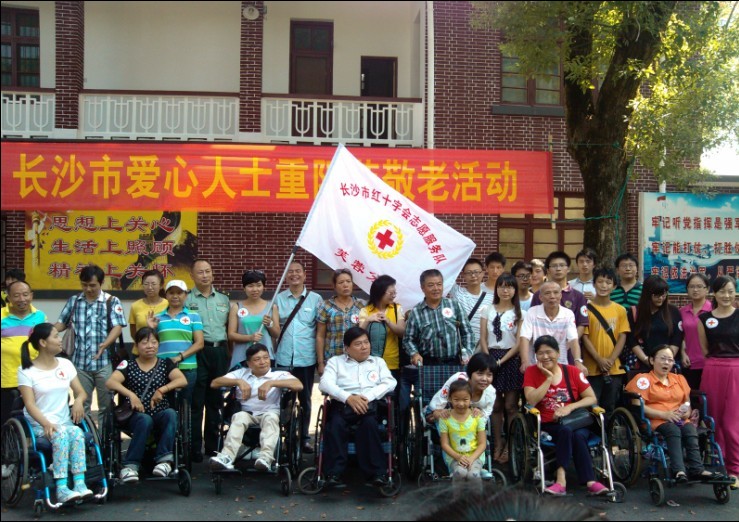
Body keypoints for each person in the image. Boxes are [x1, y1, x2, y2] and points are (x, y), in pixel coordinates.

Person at [523, 335, 608, 496]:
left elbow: (591, 398)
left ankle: (572, 481)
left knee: (575, 433)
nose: (545, 356)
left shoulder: (572, 371)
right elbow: (531, 401)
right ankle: (575, 480)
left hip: (575, 421)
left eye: (549, 352)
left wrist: (570, 407)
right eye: (540, 353)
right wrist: (548, 379)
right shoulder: (531, 372)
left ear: (558, 352)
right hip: (549, 424)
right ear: (536, 356)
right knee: (569, 432)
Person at [18, 323, 93, 504]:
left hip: (64, 422)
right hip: (40, 424)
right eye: (56, 336)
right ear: (43, 342)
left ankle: (79, 483)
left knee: (77, 432)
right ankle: (61, 488)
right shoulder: (26, 370)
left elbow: (81, 392)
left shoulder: (65, 364)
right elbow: (29, 404)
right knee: (60, 435)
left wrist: (78, 401)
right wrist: (46, 423)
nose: (60, 340)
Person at [625, 345, 722, 483]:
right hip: (656, 420)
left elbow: (687, 402)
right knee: (673, 430)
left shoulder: (679, 379)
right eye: (663, 359)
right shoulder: (643, 380)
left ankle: (697, 469)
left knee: (690, 429)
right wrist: (664, 415)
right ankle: (679, 471)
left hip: (679, 418)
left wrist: (686, 412)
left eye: (670, 360)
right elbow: (637, 405)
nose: (666, 363)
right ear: (652, 360)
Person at [105, 327, 188, 483]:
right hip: (135, 416)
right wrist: (131, 395)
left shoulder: (165, 363)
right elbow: (110, 382)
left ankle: (163, 461)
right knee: (144, 420)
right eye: (145, 342)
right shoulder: (128, 364)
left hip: (159, 412)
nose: (150, 346)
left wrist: (162, 390)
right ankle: (130, 465)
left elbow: (182, 380)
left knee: (171, 413)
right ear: (136, 345)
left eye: (154, 342)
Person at [318, 326, 397, 488]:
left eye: (366, 342)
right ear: (347, 348)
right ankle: (333, 473)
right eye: (358, 344)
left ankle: (377, 474)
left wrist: (367, 397)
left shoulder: (378, 362)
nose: (364, 347)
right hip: (342, 406)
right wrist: (348, 398)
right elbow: (324, 384)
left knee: (369, 425)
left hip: (369, 406)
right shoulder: (336, 362)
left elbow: (390, 382)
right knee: (335, 425)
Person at [208, 343, 303, 472]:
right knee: (238, 417)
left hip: (270, 412)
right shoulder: (241, 373)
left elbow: (298, 385)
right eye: (257, 359)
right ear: (249, 363)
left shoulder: (279, 374)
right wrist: (238, 381)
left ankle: (265, 458)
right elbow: (215, 383)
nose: (263, 362)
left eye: (266, 357)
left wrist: (271, 383)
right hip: (247, 413)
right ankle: (226, 457)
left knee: (270, 418)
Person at [54, 264, 127, 424]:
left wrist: (105, 344)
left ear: (101, 283)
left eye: (92, 285)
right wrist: (47, 330)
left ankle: (103, 438)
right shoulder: (74, 301)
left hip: (104, 363)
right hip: (79, 363)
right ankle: (86, 437)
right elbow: (62, 323)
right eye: (84, 285)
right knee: (82, 404)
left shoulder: (111, 301)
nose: (88, 289)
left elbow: (118, 327)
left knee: (106, 406)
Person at [273, 260, 323, 453]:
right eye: (290, 272)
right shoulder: (278, 299)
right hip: (284, 357)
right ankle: (285, 436)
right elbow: (274, 329)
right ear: (286, 276)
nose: (294, 274)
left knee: (305, 399)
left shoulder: (315, 299)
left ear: (304, 274)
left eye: (298, 271)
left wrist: (320, 360)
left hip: (306, 358)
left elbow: (320, 330)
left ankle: (304, 438)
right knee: (284, 399)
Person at [186, 259, 232, 462]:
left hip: (219, 352)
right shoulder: (187, 299)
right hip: (198, 351)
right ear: (192, 276)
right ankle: (194, 448)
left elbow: (229, 329)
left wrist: (229, 355)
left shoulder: (224, 299)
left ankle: (213, 447)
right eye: (200, 272)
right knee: (196, 402)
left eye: (208, 271)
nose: (204, 275)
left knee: (215, 401)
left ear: (212, 274)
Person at [697, 275, 739, 489]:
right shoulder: (704, 319)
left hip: (736, 370)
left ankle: (735, 469)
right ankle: (718, 467)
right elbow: (705, 349)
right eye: (722, 291)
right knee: (714, 420)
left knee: (733, 423)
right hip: (713, 369)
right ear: (714, 293)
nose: (726, 295)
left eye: (730, 291)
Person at [479, 273, 522, 463]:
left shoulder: (520, 313)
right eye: (502, 286)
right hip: (490, 357)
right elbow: (483, 337)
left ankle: (510, 446)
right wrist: (488, 358)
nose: (505, 290)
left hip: (510, 358)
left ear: (515, 290)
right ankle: (497, 443)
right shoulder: (487, 310)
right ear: (496, 289)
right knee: (495, 405)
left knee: (511, 406)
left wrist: (502, 360)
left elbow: (519, 343)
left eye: (510, 286)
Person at [404, 269, 476, 367]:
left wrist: (467, 353)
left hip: (455, 362)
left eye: (439, 284)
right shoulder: (416, 312)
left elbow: (467, 333)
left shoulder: (454, 305)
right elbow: (408, 340)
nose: (436, 288)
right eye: (431, 285)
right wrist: (414, 353)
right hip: (428, 363)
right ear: (422, 288)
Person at [582, 267, 629, 415]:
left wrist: (611, 360)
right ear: (594, 284)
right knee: (591, 407)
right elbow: (584, 336)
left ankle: (608, 431)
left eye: (608, 283)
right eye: (600, 282)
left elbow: (622, 335)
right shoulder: (586, 309)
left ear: (614, 286)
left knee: (610, 407)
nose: (604, 286)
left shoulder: (620, 310)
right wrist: (598, 359)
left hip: (613, 369)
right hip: (591, 368)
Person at [1, 281, 47, 427]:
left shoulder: (40, 317)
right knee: (5, 423)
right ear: (8, 297)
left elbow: (45, 346)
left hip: (33, 379)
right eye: (16, 295)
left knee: (33, 422)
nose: (22, 299)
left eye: (25, 294)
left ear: (31, 296)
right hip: (6, 380)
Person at [519, 282, 584, 375]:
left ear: (561, 295)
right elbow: (524, 338)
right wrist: (525, 361)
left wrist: (577, 361)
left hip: (560, 364)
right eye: (547, 293)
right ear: (540, 297)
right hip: (536, 364)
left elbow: (573, 339)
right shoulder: (532, 312)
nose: (552, 296)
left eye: (556, 292)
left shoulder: (568, 314)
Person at [358, 275, 406, 398]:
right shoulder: (366, 311)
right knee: (371, 397)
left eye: (395, 293)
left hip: (392, 362)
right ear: (380, 292)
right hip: (369, 363)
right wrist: (368, 320)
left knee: (392, 398)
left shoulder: (397, 308)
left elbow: (402, 332)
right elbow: (358, 335)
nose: (393, 295)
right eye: (391, 292)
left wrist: (388, 321)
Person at [438, 380, 487, 496]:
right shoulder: (445, 418)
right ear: (450, 399)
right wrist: (458, 457)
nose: (461, 404)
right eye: (456, 400)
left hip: (475, 456)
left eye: (465, 400)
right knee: (460, 472)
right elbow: (444, 444)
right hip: (455, 457)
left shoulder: (477, 417)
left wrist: (472, 458)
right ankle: (458, 501)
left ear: (471, 399)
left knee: (473, 475)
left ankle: (477, 501)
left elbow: (482, 443)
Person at [228, 270, 280, 370]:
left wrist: (269, 324)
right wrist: (250, 337)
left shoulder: (271, 307)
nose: (255, 289)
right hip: (242, 356)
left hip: (264, 358)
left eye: (258, 285)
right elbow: (231, 335)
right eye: (250, 286)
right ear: (244, 288)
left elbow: (276, 334)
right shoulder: (236, 307)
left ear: (263, 287)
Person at [628, 275, 683, 369]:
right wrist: (646, 360)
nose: (661, 298)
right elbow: (631, 340)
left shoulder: (673, 311)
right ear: (647, 294)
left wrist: (666, 360)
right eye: (656, 295)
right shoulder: (635, 312)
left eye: (664, 295)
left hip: (667, 365)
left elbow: (677, 338)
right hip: (644, 363)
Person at [316, 269, 364, 375]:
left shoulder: (361, 305)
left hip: (356, 359)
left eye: (348, 281)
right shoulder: (326, 306)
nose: (345, 285)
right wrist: (320, 363)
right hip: (333, 359)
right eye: (341, 282)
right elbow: (320, 336)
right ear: (334, 286)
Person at [530, 251, 589, 338]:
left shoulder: (578, 296)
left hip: (570, 344)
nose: (558, 269)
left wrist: (571, 342)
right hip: (544, 343)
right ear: (548, 270)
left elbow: (581, 324)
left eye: (562, 265)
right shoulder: (539, 294)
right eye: (554, 266)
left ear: (568, 269)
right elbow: (532, 321)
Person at [426, 352, 496, 421]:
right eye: (480, 374)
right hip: (444, 412)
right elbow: (437, 408)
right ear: (470, 373)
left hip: (469, 422)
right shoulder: (458, 379)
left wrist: (479, 415)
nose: (484, 379)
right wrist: (437, 413)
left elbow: (484, 417)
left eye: (489, 375)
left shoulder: (490, 393)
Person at [450, 258, 494, 350]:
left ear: (483, 273)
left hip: (482, 347)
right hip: (462, 346)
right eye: (469, 273)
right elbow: (446, 272)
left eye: (476, 272)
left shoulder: (492, 298)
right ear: (463, 275)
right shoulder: (457, 292)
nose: (473, 275)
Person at [679, 273, 712, 391]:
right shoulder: (682, 312)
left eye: (699, 286)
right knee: (691, 396)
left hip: (709, 363)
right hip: (689, 363)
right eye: (692, 286)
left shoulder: (713, 311)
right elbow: (680, 336)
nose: (695, 290)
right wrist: (683, 353)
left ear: (707, 289)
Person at [128, 269, 168, 355]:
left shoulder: (168, 305)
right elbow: (133, 332)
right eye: (146, 284)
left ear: (161, 285)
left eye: (153, 284)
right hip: (140, 353)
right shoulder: (135, 306)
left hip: (162, 352)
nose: (150, 287)